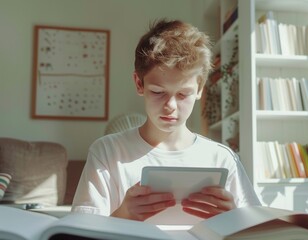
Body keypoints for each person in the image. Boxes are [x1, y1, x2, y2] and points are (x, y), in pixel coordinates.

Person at [71, 19, 260, 222]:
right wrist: (122, 215)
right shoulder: (107, 153)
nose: (170, 105)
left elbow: (256, 230)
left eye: (183, 94)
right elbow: (79, 232)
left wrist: (234, 218)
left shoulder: (222, 159)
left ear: (200, 88)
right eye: (158, 92)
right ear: (139, 83)